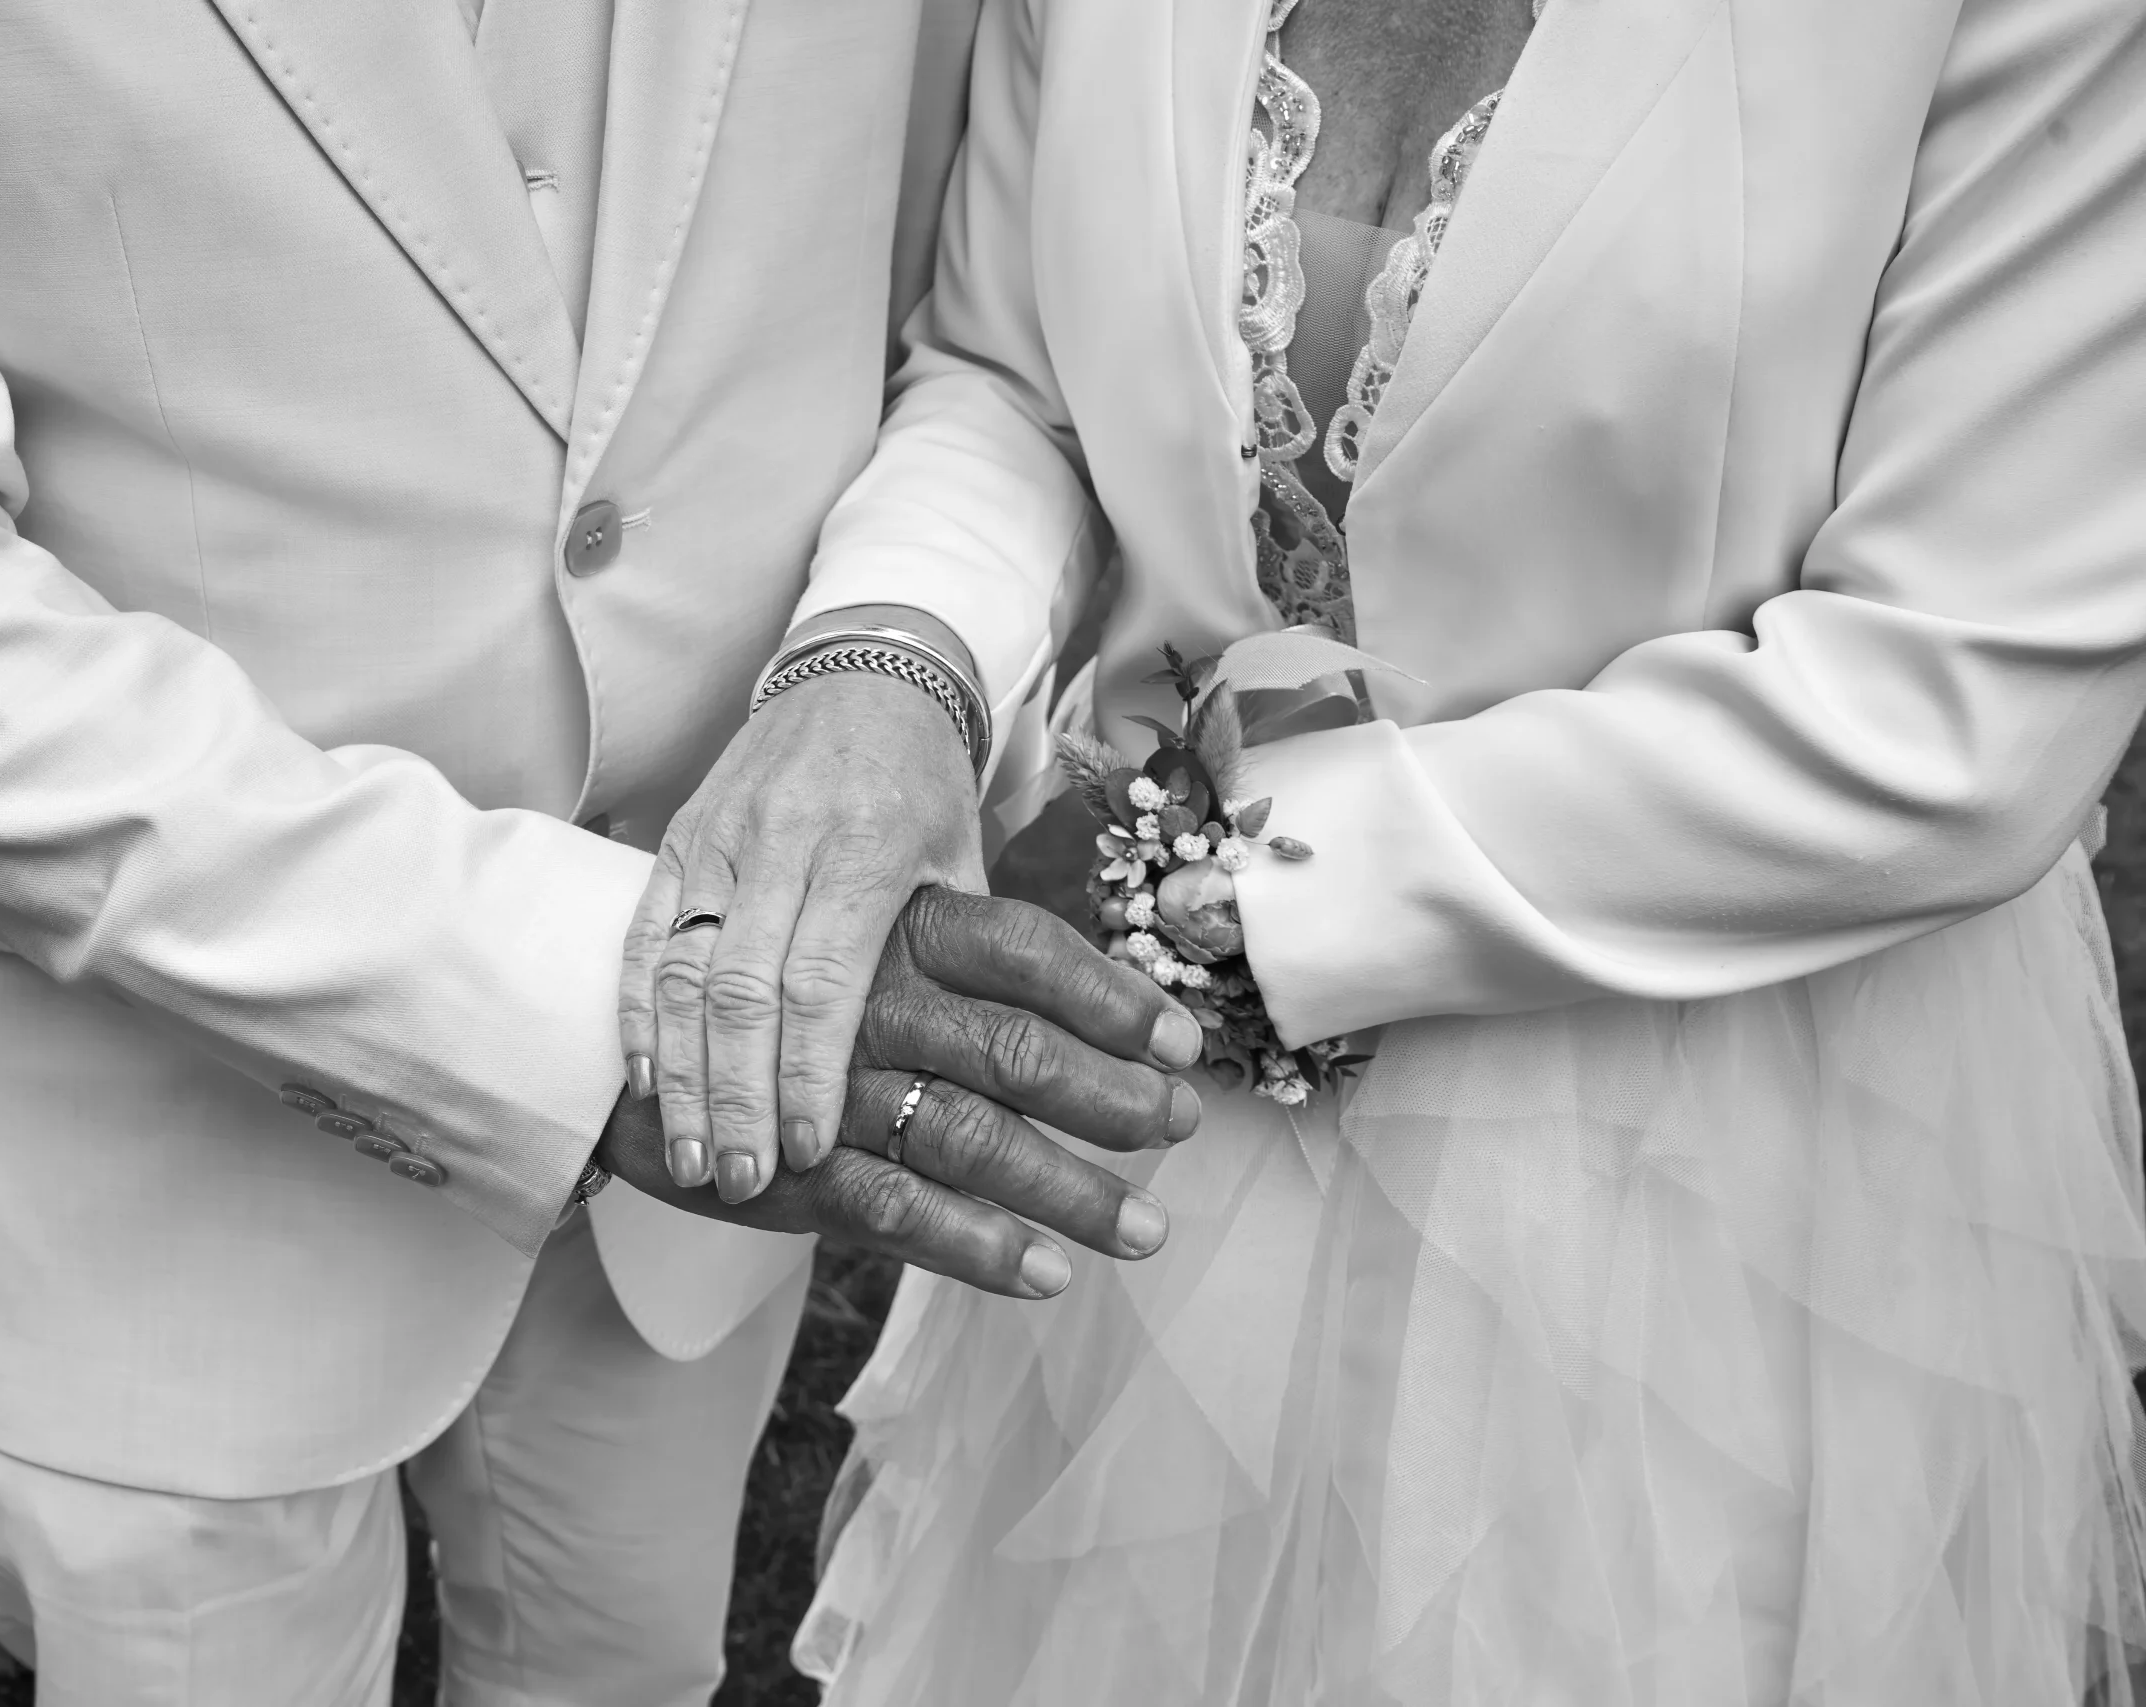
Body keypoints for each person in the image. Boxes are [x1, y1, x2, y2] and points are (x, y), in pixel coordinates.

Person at [0, 1, 1210, 1702]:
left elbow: (997, 314)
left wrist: (899, 653)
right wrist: (559, 999)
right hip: (141, 1136)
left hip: (726, 1103)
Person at [634, 0, 2146, 1698]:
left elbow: (1963, 695)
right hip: (1182, 1116)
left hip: (1707, 1127)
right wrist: (894, 658)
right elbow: (1017, 380)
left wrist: (1258, 887)